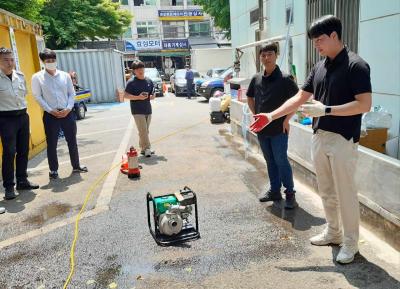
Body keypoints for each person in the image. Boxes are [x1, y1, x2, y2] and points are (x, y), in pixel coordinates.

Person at [251, 15, 372, 264]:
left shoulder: (356, 65)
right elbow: (299, 98)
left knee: (345, 192)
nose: (316, 45)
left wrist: (326, 110)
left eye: (319, 40)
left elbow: (365, 104)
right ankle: (334, 232)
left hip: (343, 138)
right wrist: (271, 116)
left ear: (334, 36)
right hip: (320, 136)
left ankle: (350, 242)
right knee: (326, 190)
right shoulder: (319, 67)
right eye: (314, 41)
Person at [247, 43, 299, 209]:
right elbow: (250, 97)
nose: (266, 58)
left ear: (276, 55)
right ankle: (274, 190)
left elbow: (297, 102)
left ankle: (290, 194)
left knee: (281, 160)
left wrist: (286, 120)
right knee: (270, 160)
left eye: (270, 54)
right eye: (263, 55)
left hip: (279, 130)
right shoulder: (256, 78)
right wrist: (255, 115)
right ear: (260, 57)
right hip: (262, 130)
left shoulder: (285, 79)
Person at [32, 49, 88, 180]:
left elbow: (71, 93)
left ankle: (76, 165)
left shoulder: (64, 75)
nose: (51, 63)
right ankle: (53, 170)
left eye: (53, 60)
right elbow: (37, 96)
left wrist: (68, 108)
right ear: (43, 62)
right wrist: (50, 110)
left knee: (72, 141)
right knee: (52, 144)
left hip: (67, 113)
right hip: (51, 114)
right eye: (48, 61)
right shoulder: (37, 77)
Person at [0, 47, 39, 200]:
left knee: (23, 150)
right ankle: (9, 186)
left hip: (23, 116)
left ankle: (22, 180)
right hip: (6, 119)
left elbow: (24, 95)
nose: (10, 63)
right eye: (5, 60)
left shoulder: (20, 76)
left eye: (11, 59)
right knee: (9, 153)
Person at [124, 60, 155, 157]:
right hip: (137, 110)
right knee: (143, 131)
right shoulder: (131, 82)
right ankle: (147, 148)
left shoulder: (149, 81)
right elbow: (125, 95)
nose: (140, 70)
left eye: (141, 68)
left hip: (148, 109)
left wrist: (153, 96)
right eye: (137, 69)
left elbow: (152, 93)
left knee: (145, 130)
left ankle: (143, 148)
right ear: (134, 71)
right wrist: (138, 97)